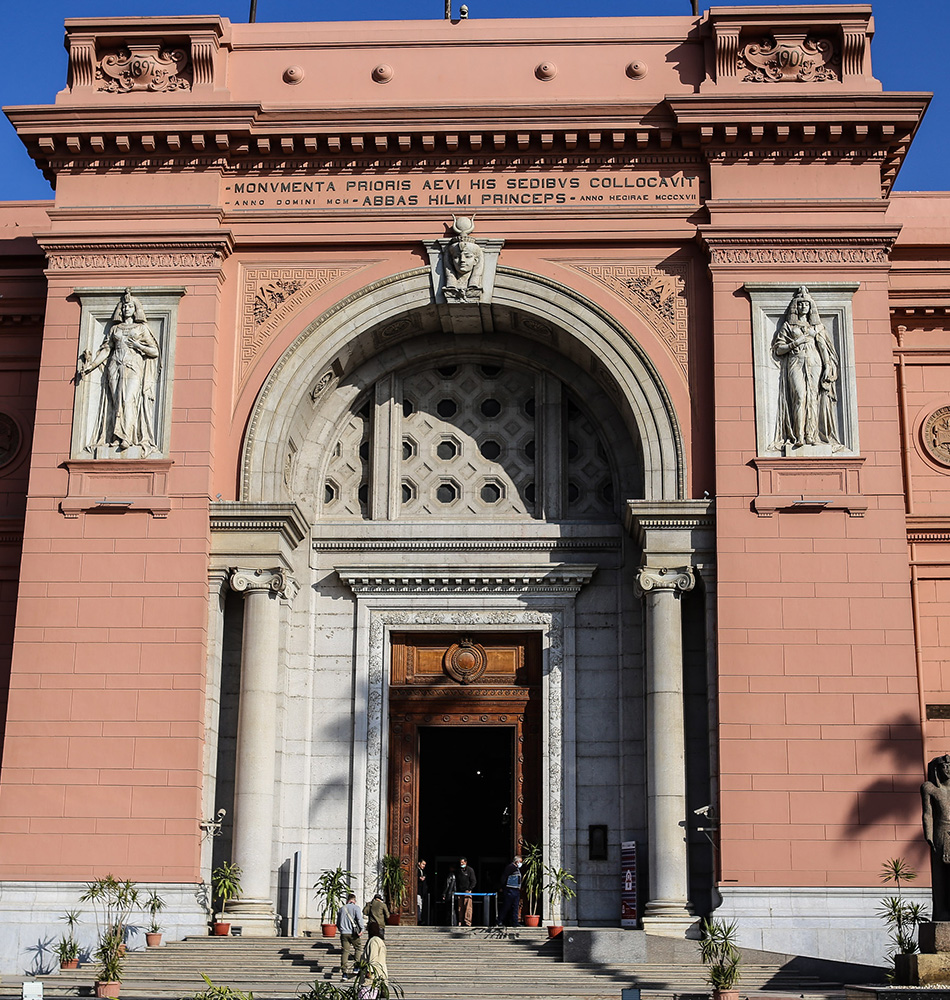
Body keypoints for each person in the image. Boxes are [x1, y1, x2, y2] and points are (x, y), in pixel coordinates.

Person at [78, 287, 161, 456]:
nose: (125, 309)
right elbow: (107, 350)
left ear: (135, 309)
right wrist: (91, 366)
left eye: (129, 306)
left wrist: (138, 346)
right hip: (115, 366)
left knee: (128, 399)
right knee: (116, 401)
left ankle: (127, 437)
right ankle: (115, 436)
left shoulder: (141, 329)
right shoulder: (115, 329)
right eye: (123, 306)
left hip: (133, 366)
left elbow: (155, 352)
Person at [770, 285, 842, 452]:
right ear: (796, 306)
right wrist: (796, 342)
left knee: (812, 397)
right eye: (801, 304)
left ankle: (811, 435)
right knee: (800, 396)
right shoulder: (789, 326)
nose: (803, 307)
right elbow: (779, 348)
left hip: (814, 362)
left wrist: (827, 366)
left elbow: (823, 348)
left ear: (811, 307)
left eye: (806, 304)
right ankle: (798, 435)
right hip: (796, 361)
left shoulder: (817, 328)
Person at [923, 754, 950, 920]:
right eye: (944, 766)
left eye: (949, 766)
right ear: (936, 769)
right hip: (941, 832)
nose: (947, 769)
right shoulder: (929, 788)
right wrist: (929, 835)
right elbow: (928, 814)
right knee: (941, 874)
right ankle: (942, 912)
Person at [336, 892, 364, 980]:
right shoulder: (356, 908)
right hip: (353, 933)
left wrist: (341, 929)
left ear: (348, 900)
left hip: (344, 933)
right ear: (354, 900)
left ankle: (344, 973)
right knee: (358, 948)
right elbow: (359, 919)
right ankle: (356, 967)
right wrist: (362, 929)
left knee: (345, 952)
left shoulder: (341, 909)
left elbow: (338, 922)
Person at [360, 921, 389, 999]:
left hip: (373, 977)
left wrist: (370, 972)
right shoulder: (380, 941)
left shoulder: (373, 941)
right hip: (381, 974)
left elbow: (373, 958)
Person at [497, 854, 522, 927]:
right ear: (517, 861)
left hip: (516, 889)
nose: (521, 863)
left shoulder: (517, 868)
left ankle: (515, 922)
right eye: (520, 862)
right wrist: (502, 887)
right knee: (506, 906)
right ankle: (500, 920)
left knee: (515, 906)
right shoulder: (510, 867)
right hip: (510, 889)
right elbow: (504, 877)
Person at [455, 857, 477, 926]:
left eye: (462, 862)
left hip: (467, 891)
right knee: (460, 907)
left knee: (468, 907)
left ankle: (468, 922)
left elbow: (473, 880)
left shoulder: (470, 870)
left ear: (465, 862)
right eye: (460, 863)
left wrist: (470, 888)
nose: (461, 864)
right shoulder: (458, 871)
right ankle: (460, 921)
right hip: (460, 891)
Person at [416, 858, 430, 924]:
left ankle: (419, 918)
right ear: (419, 863)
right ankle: (418, 919)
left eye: (425, 864)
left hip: (421, 892)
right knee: (418, 905)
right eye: (423, 864)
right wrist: (419, 879)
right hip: (417, 891)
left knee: (420, 905)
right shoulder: (416, 871)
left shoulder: (423, 871)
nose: (424, 866)